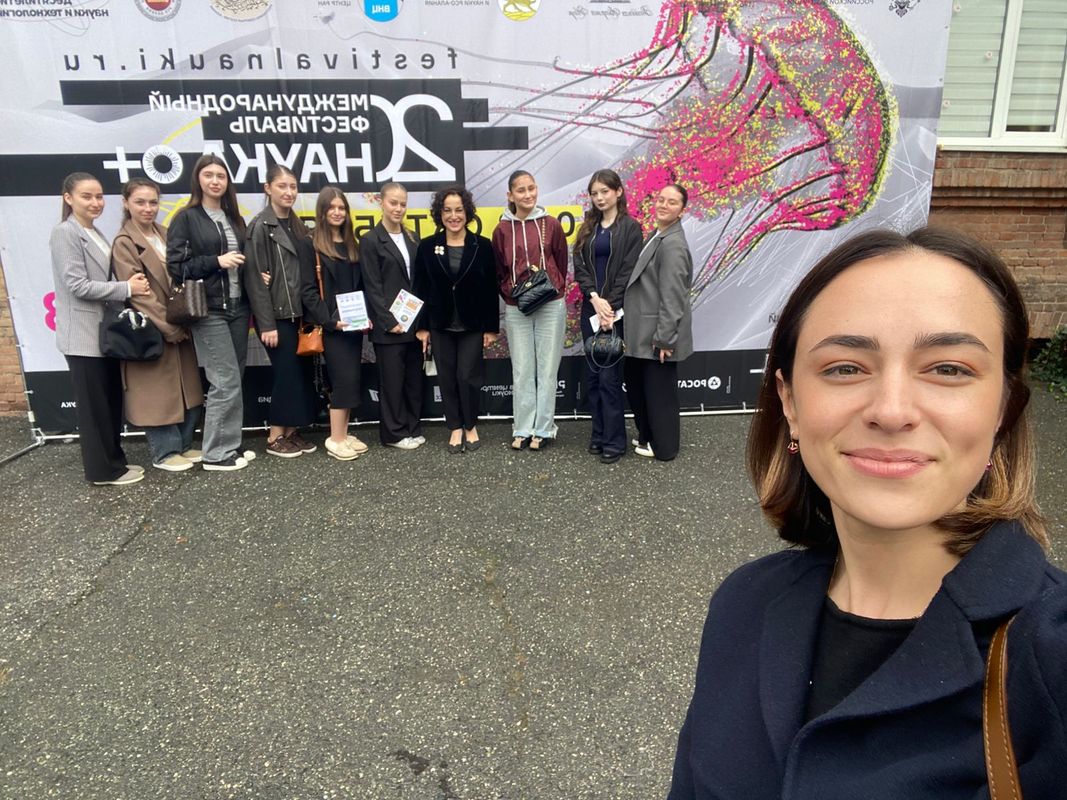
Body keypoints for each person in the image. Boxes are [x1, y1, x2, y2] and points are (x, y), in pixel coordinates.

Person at [667, 228, 1067, 798]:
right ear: (789, 402)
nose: (892, 410)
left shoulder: (1052, 656)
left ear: (1002, 408)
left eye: (949, 369)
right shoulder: (743, 604)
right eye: (845, 368)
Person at [50, 172, 150, 486]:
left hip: (104, 334)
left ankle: (115, 462)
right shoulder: (65, 233)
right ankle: (102, 471)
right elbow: (77, 285)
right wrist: (127, 288)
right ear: (68, 198)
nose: (95, 202)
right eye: (86, 196)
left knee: (109, 403)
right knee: (94, 409)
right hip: (81, 336)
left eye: (99, 196)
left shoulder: (94, 232)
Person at [167, 154, 255, 472]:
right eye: (209, 175)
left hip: (238, 307)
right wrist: (216, 262)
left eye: (221, 176)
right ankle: (216, 454)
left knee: (234, 378)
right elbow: (176, 267)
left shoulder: (234, 218)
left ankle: (230, 443)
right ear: (198, 180)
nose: (215, 181)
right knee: (224, 380)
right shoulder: (186, 218)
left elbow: (243, 260)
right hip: (209, 309)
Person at [111, 178, 204, 472]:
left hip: (181, 321)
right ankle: (164, 452)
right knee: (157, 394)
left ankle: (184, 444)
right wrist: (169, 326)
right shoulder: (125, 242)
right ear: (126, 203)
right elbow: (139, 294)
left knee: (186, 388)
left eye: (153, 202)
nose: (148, 208)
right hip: (152, 328)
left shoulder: (165, 233)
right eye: (140, 202)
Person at [412, 186, 500, 453]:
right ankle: (454, 427)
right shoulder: (427, 246)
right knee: (447, 377)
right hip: (439, 324)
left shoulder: (482, 246)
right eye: (447, 210)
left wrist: (491, 328)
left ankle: (470, 425)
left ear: (467, 212)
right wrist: (422, 327)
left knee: (468, 376)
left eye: (459, 210)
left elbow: (490, 289)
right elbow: (420, 288)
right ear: (440, 214)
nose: (453, 216)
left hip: (472, 324)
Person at [244, 164, 318, 459]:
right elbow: (254, 279)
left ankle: (290, 431)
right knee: (285, 375)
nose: (289, 192)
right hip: (277, 316)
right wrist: (266, 324)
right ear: (268, 188)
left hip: (299, 315)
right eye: (282, 186)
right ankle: (275, 436)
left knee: (298, 375)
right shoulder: (261, 226)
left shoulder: (297, 225)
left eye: (293, 186)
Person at [492, 169, 569, 452]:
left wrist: (552, 288)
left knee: (547, 369)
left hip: (551, 304)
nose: (528, 194)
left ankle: (544, 428)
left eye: (532, 188)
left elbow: (561, 261)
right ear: (510, 195)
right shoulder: (501, 230)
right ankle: (522, 428)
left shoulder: (551, 224)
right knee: (522, 369)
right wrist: (512, 293)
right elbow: (499, 269)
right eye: (521, 190)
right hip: (517, 307)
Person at [572, 169, 643, 464]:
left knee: (609, 377)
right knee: (593, 377)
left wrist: (609, 307)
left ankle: (615, 440)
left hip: (616, 313)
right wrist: (594, 298)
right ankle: (598, 434)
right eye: (594, 193)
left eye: (605, 191)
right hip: (592, 311)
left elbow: (628, 271)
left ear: (618, 192)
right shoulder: (588, 228)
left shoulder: (631, 228)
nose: (599, 198)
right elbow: (579, 266)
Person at [299, 187, 372, 462]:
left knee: (351, 379)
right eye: (332, 207)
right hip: (332, 326)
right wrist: (330, 321)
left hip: (353, 325)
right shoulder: (310, 245)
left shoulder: (353, 244)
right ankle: (336, 438)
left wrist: (364, 316)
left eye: (342, 207)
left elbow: (361, 286)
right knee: (342, 380)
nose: (338, 212)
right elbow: (307, 291)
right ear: (322, 211)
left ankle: (344, 432)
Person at [623, 183, 693, 462]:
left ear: (682, 211)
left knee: (659, 394)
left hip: (657, 335)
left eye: (672, 202)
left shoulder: (673, 245)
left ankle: (664, 447)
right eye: (661, 199)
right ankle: (648, 435)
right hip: (644, 331)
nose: (664, 205)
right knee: (641, 387)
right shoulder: (657, 235)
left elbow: (673, 297)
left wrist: (665, 338)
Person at [361, 182, 424, 450]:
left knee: (413, 380)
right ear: (381, 202)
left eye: (403, 204)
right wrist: (389, 321)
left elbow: (418, 281)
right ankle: (393, 434)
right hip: (389, 328)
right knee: (392, 383)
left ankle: (412, 427)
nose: (398, 208)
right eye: (393, 203)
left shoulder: (412, 237)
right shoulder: (370, 240)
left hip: (413, 323)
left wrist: (420, 322)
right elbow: (372, 286)